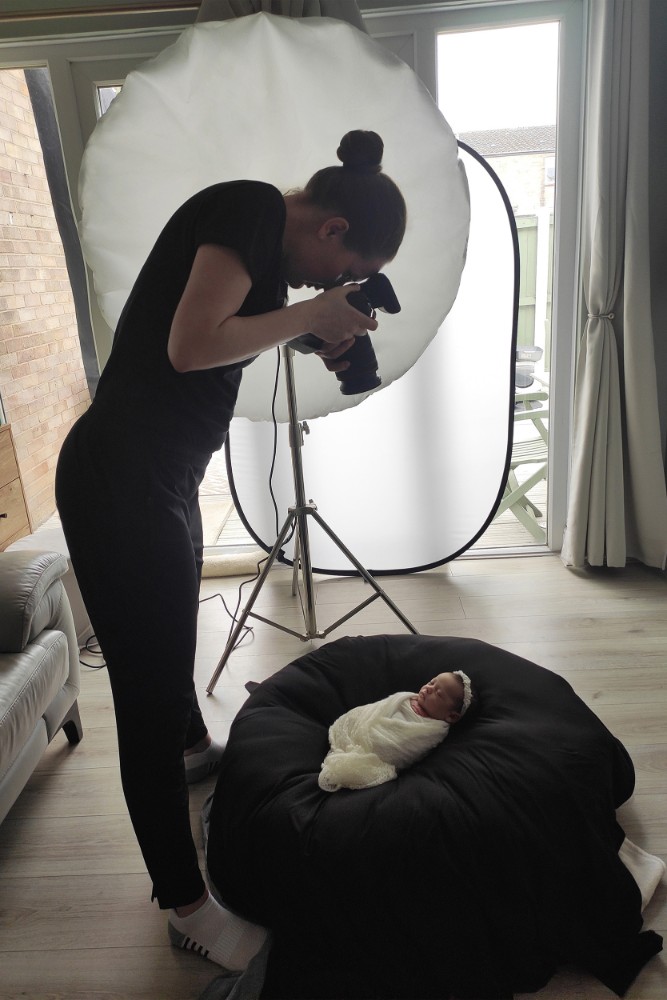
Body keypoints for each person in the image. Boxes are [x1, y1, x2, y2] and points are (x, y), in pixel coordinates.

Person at [55, 130, 407, 970]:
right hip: (121, 481)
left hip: (157, 478)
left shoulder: (263, 244)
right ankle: (186, 907)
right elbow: (191, 346)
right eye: (339, 271)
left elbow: (229, 329)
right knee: (144, 695)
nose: (325, 285)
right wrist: (311, 314)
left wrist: (311, 330)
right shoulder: (248, 206)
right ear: (331, 228)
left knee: (168, 638)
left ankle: (192, 752)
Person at [319, 670, 473, 792]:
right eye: (432, 682)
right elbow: (378, 708)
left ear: (451, 716)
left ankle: (357, 754)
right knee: (360, 718)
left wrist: (377, 740)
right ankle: (353, 739)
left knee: (376, 748)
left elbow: (404, 746)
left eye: (438, 693)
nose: (428, 689)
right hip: (367, 724)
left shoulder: (433, 731)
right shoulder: (407, 698)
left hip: (382, 743)